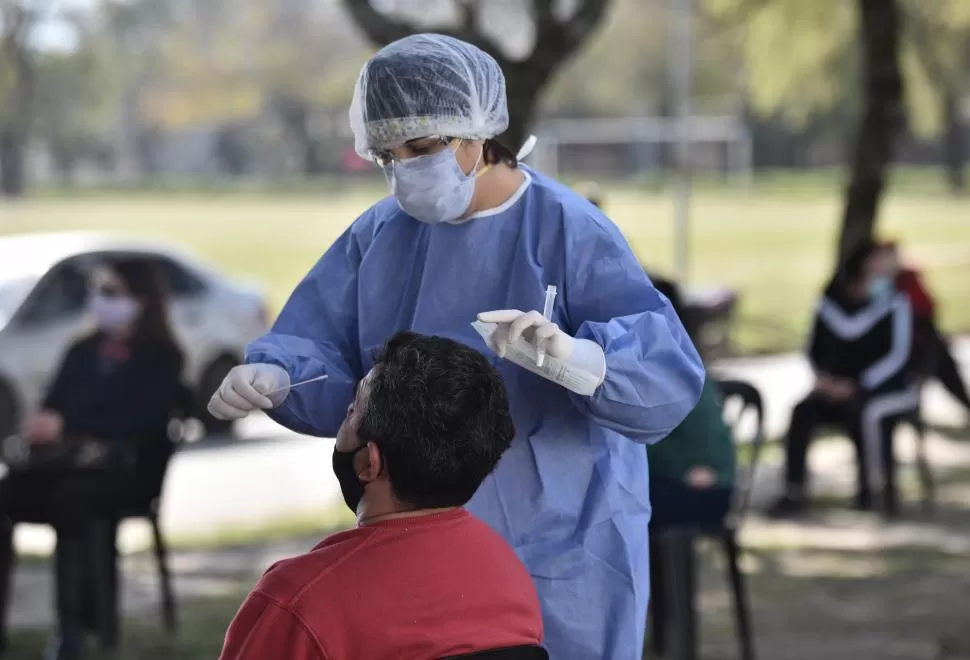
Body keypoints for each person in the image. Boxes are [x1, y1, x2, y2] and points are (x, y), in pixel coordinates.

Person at [208, 34, 704, 660]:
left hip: (567, 544)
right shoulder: (379, 237)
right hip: (418, 554)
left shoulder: (569, 230)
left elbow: (665, 378)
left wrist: (584, 362)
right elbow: (330, 361)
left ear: (479, 131)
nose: (406, 170)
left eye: (421, 148)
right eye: (388, 156)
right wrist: (279, 377)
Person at [219, 333, 544, 659]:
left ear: (368, 463)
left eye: (351, 411)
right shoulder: (511, 580)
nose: (343, 416)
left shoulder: (299, 601)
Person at [0, 260, 184, 660]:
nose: (100, 302)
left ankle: (72, 632)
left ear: (141, 299)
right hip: (65, 467)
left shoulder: (162, 357)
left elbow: (144, 423)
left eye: (112, 292)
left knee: (71, 501)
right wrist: (43, 423)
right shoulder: (81, 350)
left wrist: (68, 422)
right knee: (7, 493)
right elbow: (53, 404)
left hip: (125, 472)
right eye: (99, 292)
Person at [769, 239, 917, 517]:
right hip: (831, 386)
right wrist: (823, 378)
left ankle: (870, 491)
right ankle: (794, 490)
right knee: (802, 413)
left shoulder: (894, 302)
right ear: (863, 263)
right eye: (880, 259)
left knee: (863, 413)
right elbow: (813, 348)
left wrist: (859, 384)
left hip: (875, 388)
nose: (888, 267)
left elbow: (897, 355)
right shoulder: (831, 302)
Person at [880, 240, 970, 416]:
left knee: (939, 357)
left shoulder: (907, 279)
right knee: (937, 357)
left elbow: (928, 309)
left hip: (920, 345)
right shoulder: (879, 286)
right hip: (897, 350)